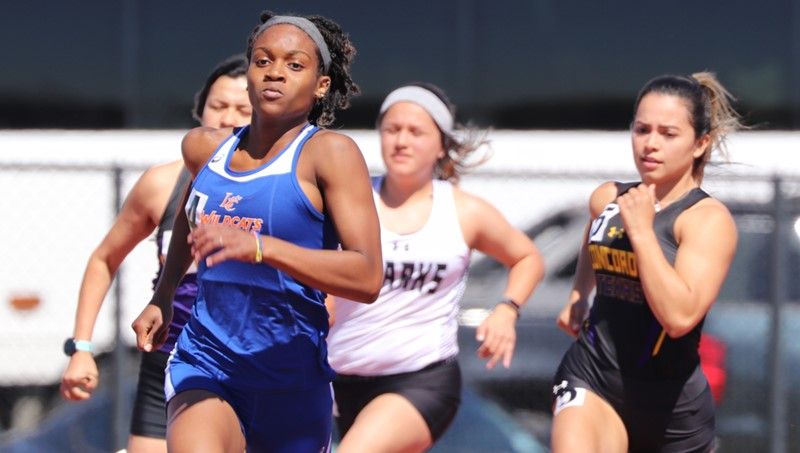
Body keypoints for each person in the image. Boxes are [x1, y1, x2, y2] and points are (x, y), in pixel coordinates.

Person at [131, 11, 382, 453]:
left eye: (294, 64)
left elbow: (366, 277)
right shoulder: (205, 149)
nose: (276, 73)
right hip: (206, 362)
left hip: (291, 380)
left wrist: (264, 247)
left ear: (321, 85)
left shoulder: (330, 154)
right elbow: (193, 215)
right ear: (247, 75)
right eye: (263, 61)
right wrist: (164, 295)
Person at [327, 83, 545, 453]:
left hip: (420, 380)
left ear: (441, 144)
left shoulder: (463, 211)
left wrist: (507, 310)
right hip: (337, 378)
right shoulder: (352, 201)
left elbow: (527, 258)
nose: (401, 141)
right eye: (392, 129)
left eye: (416, 132)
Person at [59, 54, 251, 453]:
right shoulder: (162, 183)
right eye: (218, 106)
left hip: (251, 363)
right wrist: (82, 348)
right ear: (200, 111)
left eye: (242, 109)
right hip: (168, 360)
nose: (229, 118)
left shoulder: (281, 188)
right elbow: (103, 259)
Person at [551, 72, 742, 453]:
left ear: (700, 143)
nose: (650, 144)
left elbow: (679, 317)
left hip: (671, 408)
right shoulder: (608, 196)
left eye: (668, 134)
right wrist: (578, 294)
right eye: (642, 130)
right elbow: (594, 233)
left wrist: (641, 234)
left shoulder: (706, 220)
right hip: (592, 375)